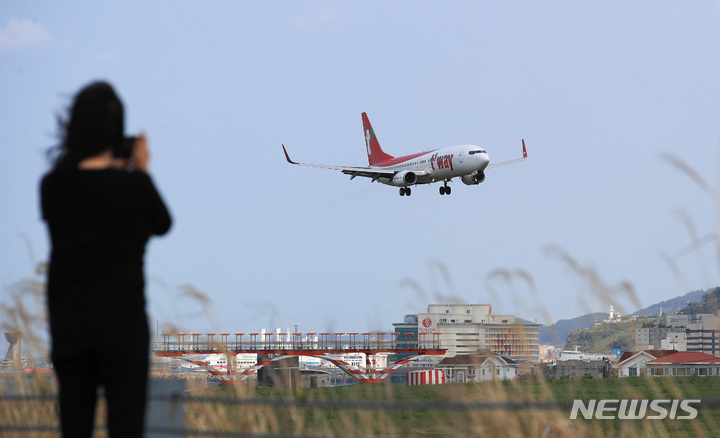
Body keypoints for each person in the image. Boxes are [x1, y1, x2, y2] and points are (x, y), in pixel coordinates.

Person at [41, 81, 172, 437]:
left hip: (71, 327)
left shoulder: (52, 186)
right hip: (122, 327)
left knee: (75, 423)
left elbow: (85, 194)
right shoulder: (135, 187)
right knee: (126, 426)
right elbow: (163, 223)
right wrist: (140, 169)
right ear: (117, 131)